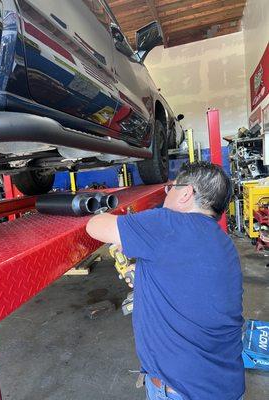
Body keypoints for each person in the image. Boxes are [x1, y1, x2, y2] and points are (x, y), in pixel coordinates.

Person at [86, 161, 245, 400]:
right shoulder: (223, 243)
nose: (166, 193)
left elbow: (94, 226)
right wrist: (143, 274)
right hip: (225, 386)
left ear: (186, 193)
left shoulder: (168, 224)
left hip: (181, 392)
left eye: (171, 188)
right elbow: (188, 283)